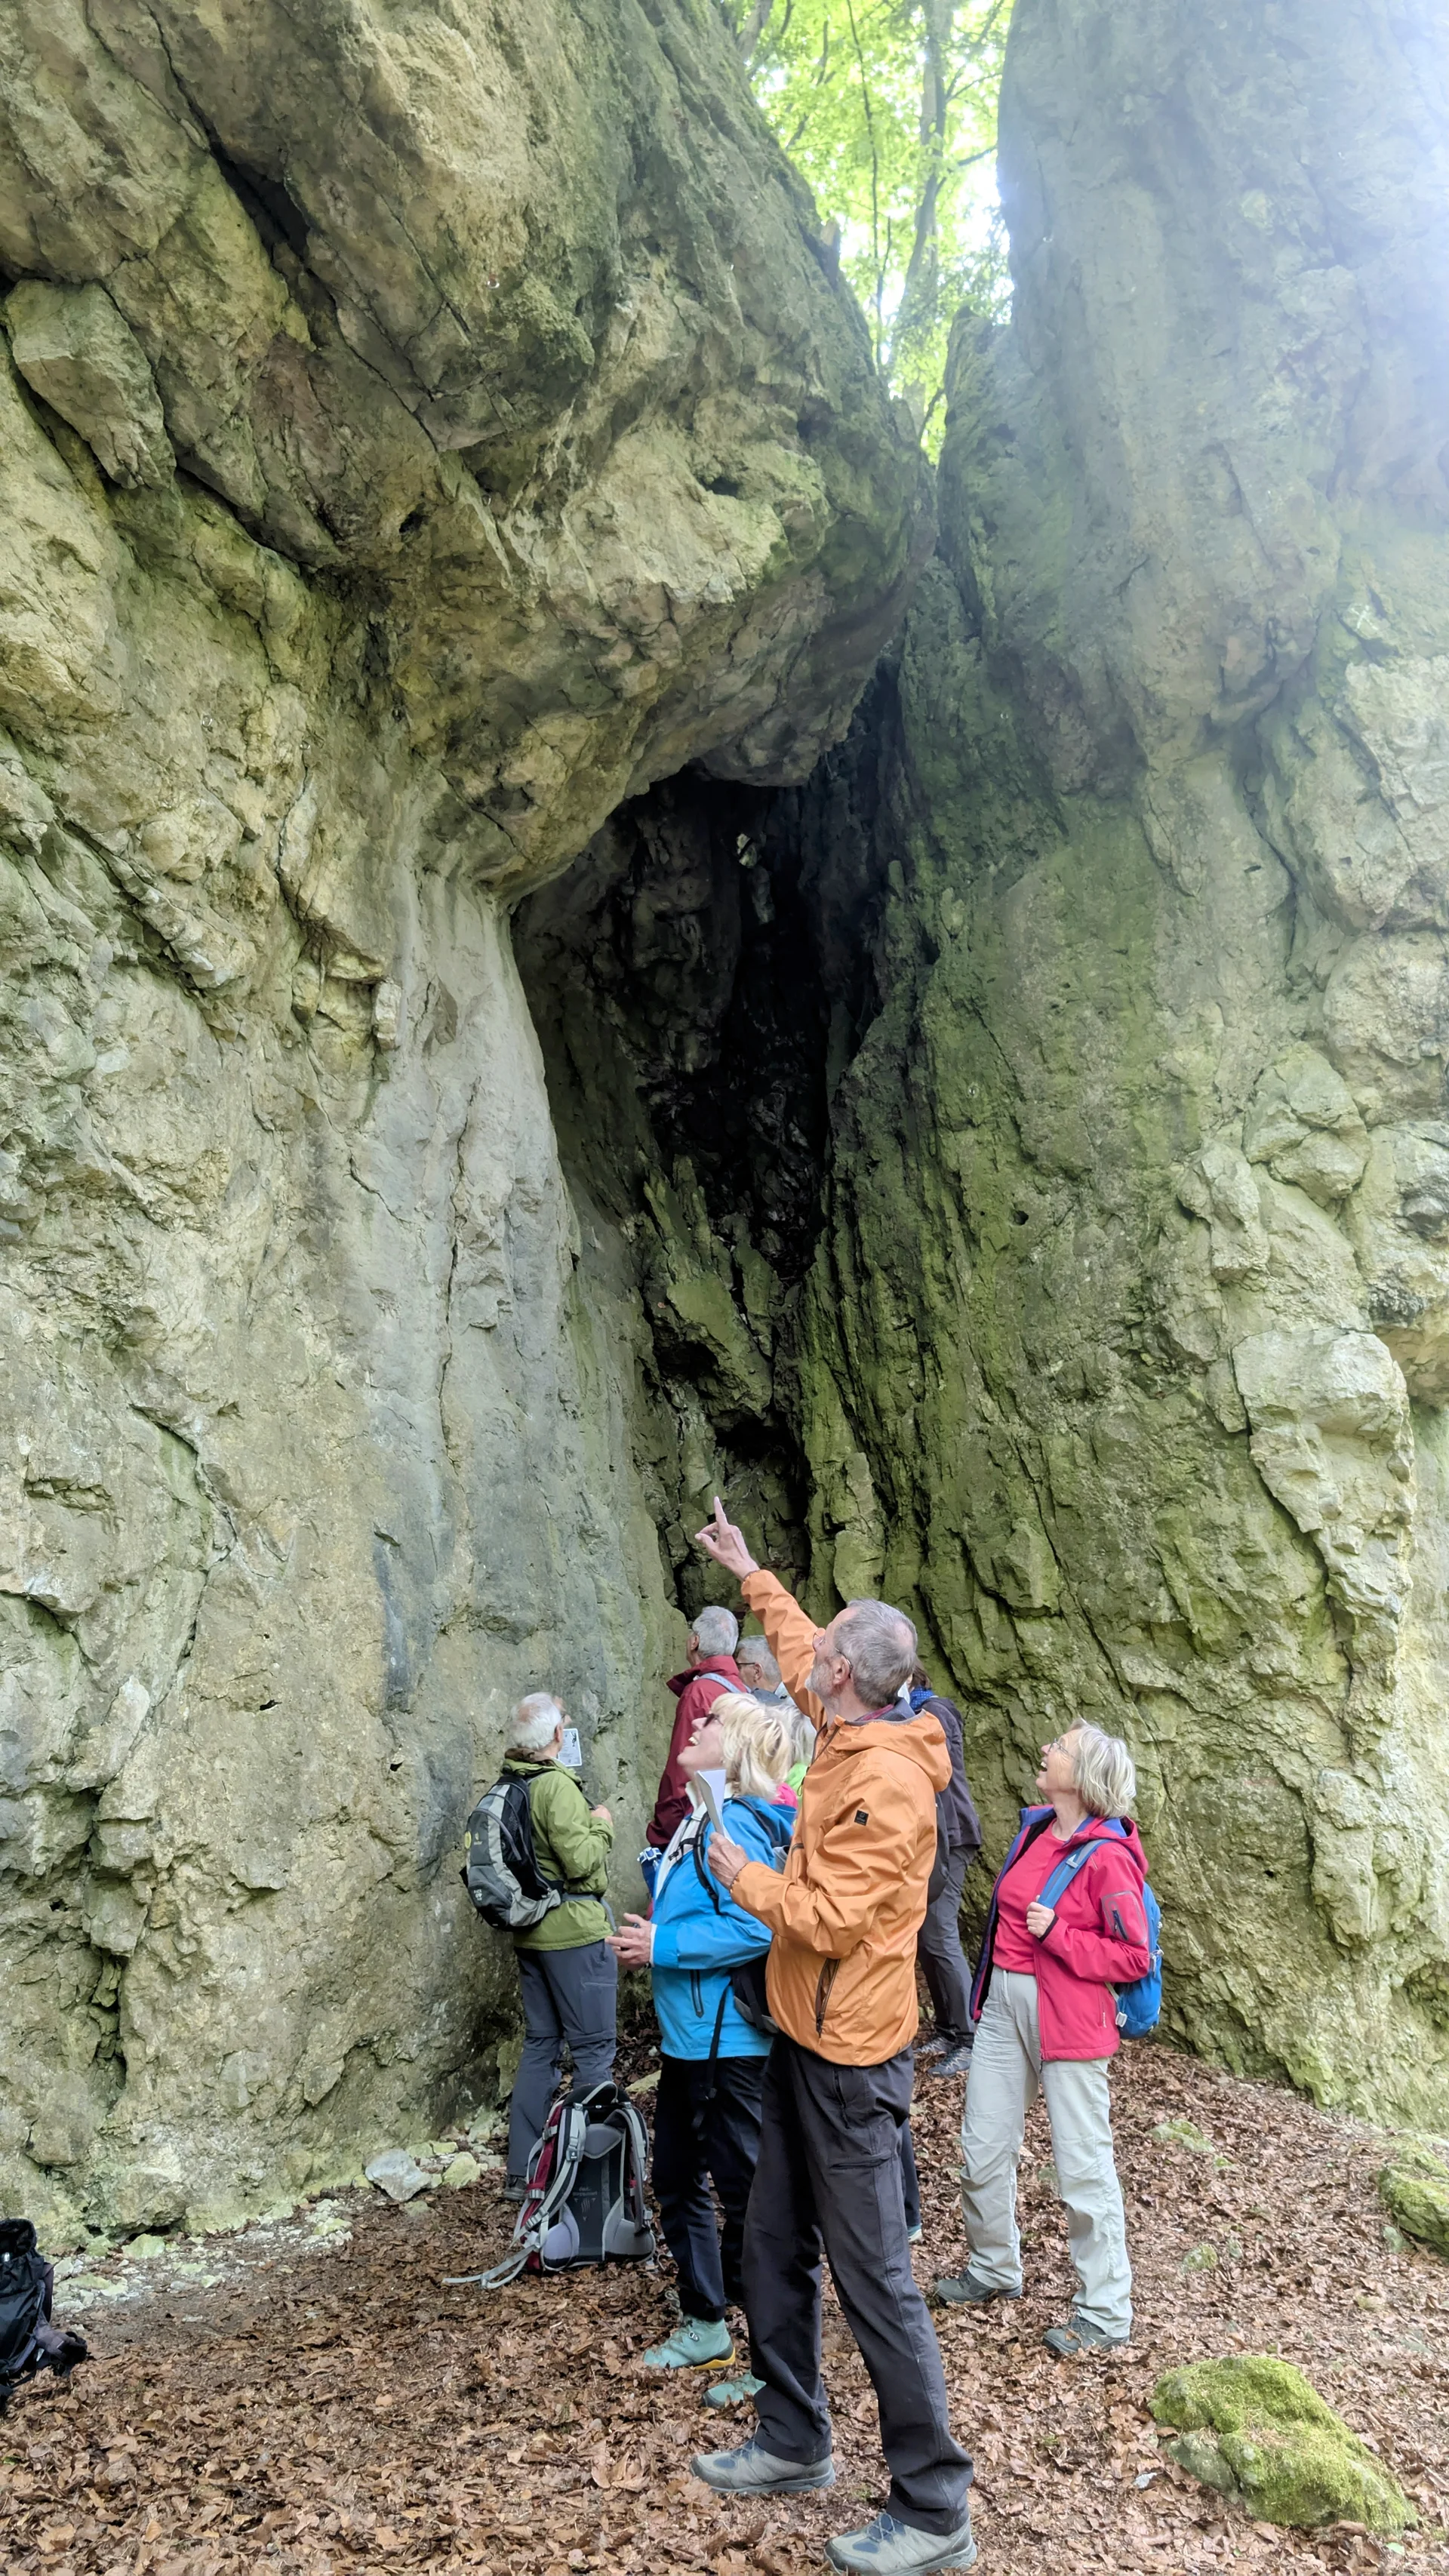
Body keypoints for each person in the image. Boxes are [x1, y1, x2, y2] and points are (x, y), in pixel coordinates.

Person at [688, 1501, 976, 2576]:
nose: (814, 1662)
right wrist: (751, 1568)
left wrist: (741, 1874)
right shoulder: (847, 1711)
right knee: (770, 2244)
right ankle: (793, 2438)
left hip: (855, 2059)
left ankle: (934, 2505)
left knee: (875, 2280)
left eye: (832, 1648)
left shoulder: (888, 1780)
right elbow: (802, 1642)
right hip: (805, 2039)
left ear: (853, 1683)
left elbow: (834, 1919)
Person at [934, 1722, 1151, 2357]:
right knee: (981, 2145)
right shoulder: (1034, 1829)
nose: (1046, 1750)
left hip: (1069, 2018)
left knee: (1083, 2166)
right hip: (1004, 2005)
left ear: (1082, 1776)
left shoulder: (1109, 1856)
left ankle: (1106, 2311)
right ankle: (994, 2267)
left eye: (1060, 1747)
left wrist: (1058, 1933)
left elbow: (1134, 1955)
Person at [609, 1694, 794, 2400]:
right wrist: (651, 1948)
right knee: (678, 2181)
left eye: (712, 1723)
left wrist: (664, 1944)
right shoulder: (697, 1817)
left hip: (731, 2044)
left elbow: (760, 1928)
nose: (696, 1724)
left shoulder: (734, 1823)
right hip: (691, 2041)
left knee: (749, 2200)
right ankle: (706, 2321)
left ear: (736, 1747)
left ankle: (773, 2365)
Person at [500, 1693, 617, 2199]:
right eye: (563, 1723)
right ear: (553, 1739)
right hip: (574, 1932)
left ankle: (521, 2172)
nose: (566, 1729)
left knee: (541, 2045)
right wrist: (603, 1826)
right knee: (593, 2051)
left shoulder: (509, 1784)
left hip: (531, 1933)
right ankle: (590, 2174)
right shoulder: (555, 1788)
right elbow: (582, 1861)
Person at [908, 1666, 982, 2082]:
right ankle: (948, 2029)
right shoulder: (922, 1713)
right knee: (926, 1934)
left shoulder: (935, 1712)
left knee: (939, 1933)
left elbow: (937, 1770)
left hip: (952, 1837)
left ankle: (969, 2039)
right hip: (937, 1837)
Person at [644, 1605, 742, 1858]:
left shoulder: (699, 1692)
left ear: (694, 1641)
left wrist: (663, 1834)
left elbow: (680, 1769)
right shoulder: (741, 1690)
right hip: (727, 1817)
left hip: (691, 1825)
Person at [737, 1633, 817, 1779]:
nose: (736, 1673)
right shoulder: (799, 1695)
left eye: (739, 1666)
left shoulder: (796, 1705)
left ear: (757, 1671)